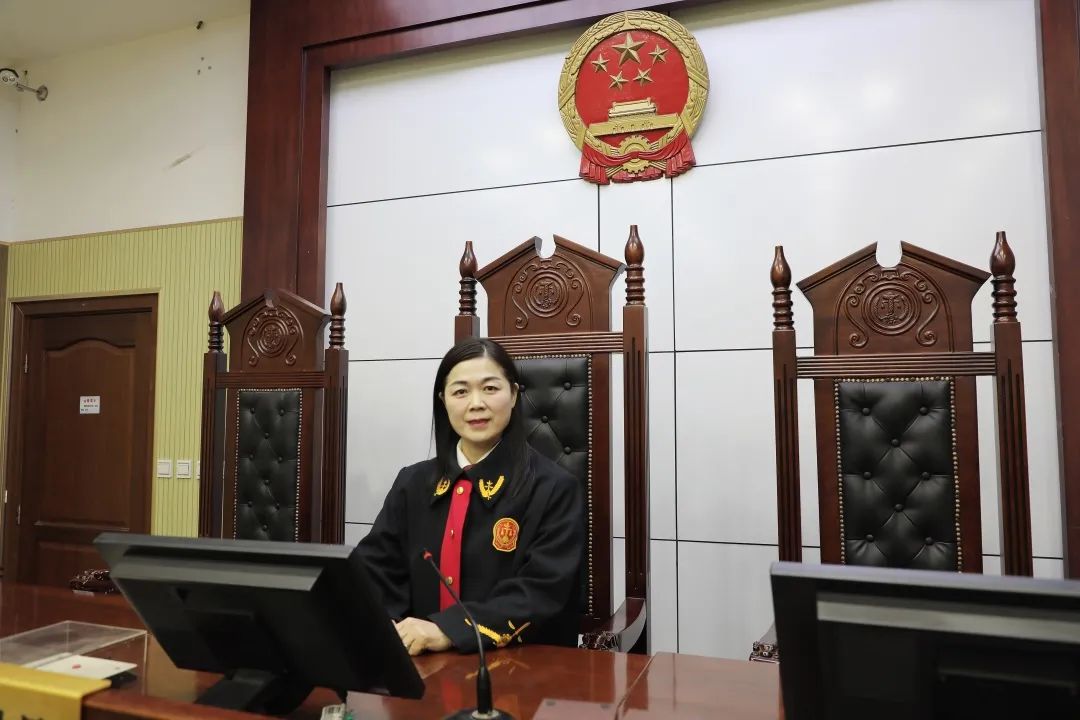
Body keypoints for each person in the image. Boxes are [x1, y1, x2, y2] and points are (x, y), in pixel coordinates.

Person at [356, 337, 585, 655]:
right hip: (419, 663)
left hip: (519, 666)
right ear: (443, 400)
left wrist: (447, 630)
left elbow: (541, 592)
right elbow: (374, 573)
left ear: (514, 394)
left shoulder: (555, 489)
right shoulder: (412, 483)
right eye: (460, 391)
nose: (476, 403)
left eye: (490, 388)